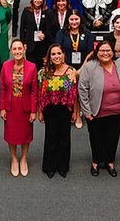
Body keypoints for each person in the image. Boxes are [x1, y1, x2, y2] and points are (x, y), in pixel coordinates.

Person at [77, 37, 120, 177]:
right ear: (97, 52)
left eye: (108, 50)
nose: (105, 53)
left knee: (113, 137)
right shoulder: (90, 66)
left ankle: (110, 161)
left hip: (117, 110)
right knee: (96, 138)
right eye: (102, 50)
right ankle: (95, 161)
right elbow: (82, 89)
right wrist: (86, 110)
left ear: (113, 52)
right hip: (96, 111)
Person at [35, 45, 78, 180]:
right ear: (49, 57)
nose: (56, 56)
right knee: (51, 136)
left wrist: (76, 112)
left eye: (59, 53)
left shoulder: (71, 71)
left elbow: (75, 94)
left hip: (65, 108)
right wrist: (40, 111)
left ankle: (62, 166)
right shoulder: (43, 72)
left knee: (64, 137)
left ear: (64, 55)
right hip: (49, 109)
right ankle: (49, 166)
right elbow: (39, 93)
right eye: (53, 54)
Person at [0, 37, 37, 178]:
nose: (17, 51)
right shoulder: (6, 66)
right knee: (11, 135)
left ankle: (24, 159)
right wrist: (2, 108)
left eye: (19, 48)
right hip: (10, 107)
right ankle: (14, 159)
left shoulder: (32, 67)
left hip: (25, 107)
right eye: (14, 49)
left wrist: (34, 110)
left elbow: (34, 91)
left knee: (25, 135)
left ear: (24, 49)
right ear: (11, 51)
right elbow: (2, 88)